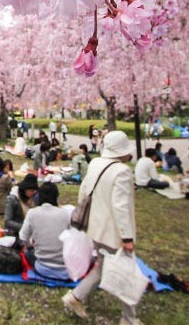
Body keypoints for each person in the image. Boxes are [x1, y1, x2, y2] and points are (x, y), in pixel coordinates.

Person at [63, 130, 140, 324]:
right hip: (113, 232)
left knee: (101, 267)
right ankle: (128, 319)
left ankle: (78, 297)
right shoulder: (122, 171)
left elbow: (84, 190)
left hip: (95, 227)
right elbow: (121, 206)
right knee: (124, 273)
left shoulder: (96, 164)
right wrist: (127, 237)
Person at [20, 182, 70, 281]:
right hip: (65, 269)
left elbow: (23, 238)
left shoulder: (32, 213)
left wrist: (30, 245)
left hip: (42, 268)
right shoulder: (66, 214)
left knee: (28, 252)